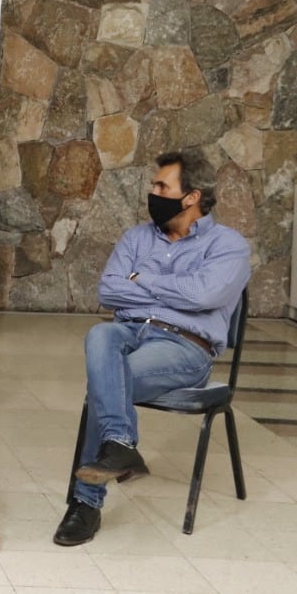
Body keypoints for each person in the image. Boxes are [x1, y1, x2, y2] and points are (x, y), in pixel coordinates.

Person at [53, 150, 250, 547]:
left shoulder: (229, 245)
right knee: (99, 335)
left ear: (192, 197)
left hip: (184, 346)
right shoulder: (137, 237)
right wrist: (173, 291)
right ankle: (121, 444)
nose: (153, 192)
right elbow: (109, 289)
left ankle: (85, 504)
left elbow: (205, 294)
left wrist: (143, 279)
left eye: (162, 186)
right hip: (127, 332)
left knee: (104, 385)